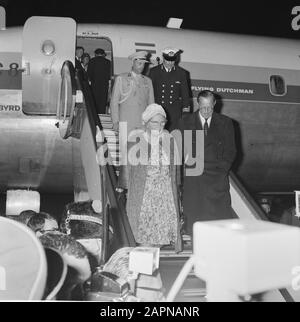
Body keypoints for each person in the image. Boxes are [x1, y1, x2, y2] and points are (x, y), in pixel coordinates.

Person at [120, 103, 182, 253]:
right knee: (143, 237)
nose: (159, 126)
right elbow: (127, 167)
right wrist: (124, 187)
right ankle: (144, 268)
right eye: (154, 122)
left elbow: (176, 170)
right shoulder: (135, 139)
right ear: (145, 123)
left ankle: (153, 265)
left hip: (164, 196)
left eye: (162, 122)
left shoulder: (170, 140)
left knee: (160, 237)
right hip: (144, 194)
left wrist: (178, 189)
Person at [178, 90, 237, 235]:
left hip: (216, 180)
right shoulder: (185, 121)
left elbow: (231, 151)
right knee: (194, 224)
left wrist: (222, 170)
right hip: (193, 180)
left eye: (209, 107)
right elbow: (178, 149)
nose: (206, 111)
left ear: (215, 104)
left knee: (218, 224)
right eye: (203, 107)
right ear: (198, 103)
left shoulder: (226, 123)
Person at [110, 50, 154, 133]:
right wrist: (115, 121)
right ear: (133, 63)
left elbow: (151, 104)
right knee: (125, 146)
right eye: (139, 63)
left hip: (142, 124)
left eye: (143, 64)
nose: (141, 67)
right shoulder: (121, 78)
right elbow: (114, 102)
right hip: (125, 123)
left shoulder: (148, 81)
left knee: (142, 146)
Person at [149, 47, 190, 131]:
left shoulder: (181, 73)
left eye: (172, 60)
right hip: (158, 110)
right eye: (168, 60)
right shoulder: (154, 72)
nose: (170, 63)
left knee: (172, 137)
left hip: (174, 113)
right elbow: (149, 92)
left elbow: (185, 94)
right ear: (163, 58)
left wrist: (186, 113)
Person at [87, 48, 111, 114]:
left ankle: (95, 116)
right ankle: (101, 115)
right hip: (104, 86)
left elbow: (88, 74)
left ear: (95, 54)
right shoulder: (108, 62)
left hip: (94, 85)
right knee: (102, 102)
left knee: (94, 102)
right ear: (103, 54)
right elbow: (110, 75)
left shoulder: (92, 61)